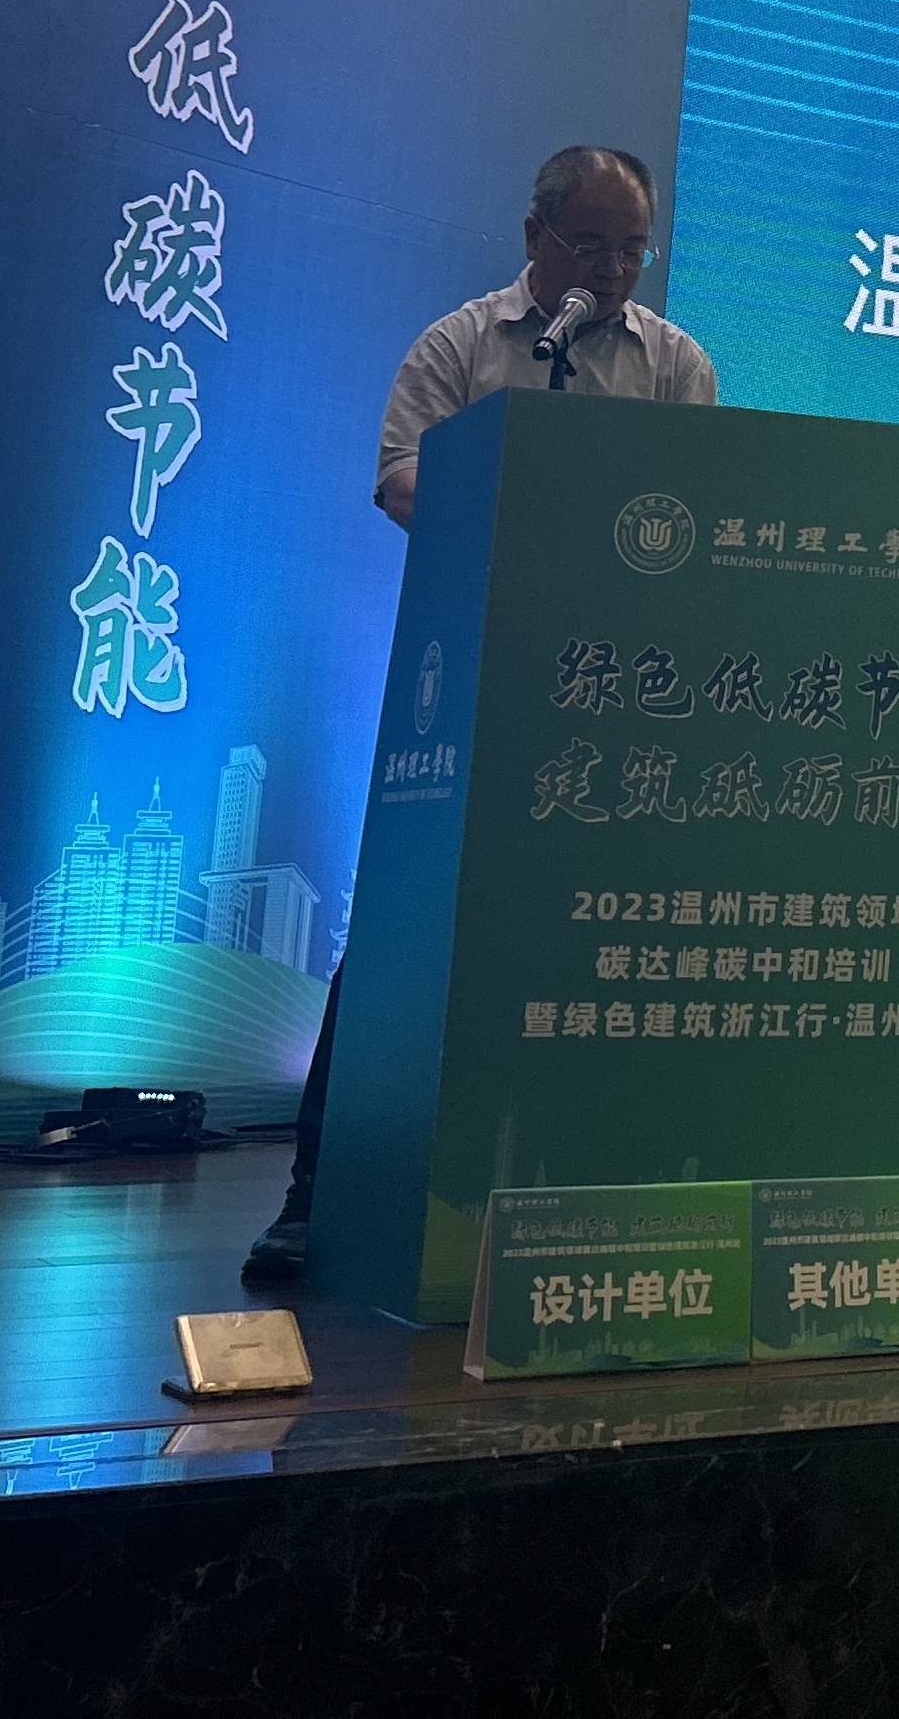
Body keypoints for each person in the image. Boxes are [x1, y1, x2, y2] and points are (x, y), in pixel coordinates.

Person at [243, 143, 718, 1284]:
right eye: (591, 245)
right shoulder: (462, 346)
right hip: (470, 681)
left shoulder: (675, 363)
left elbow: (704, 497)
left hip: (616, 698)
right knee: (401, 933)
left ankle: (581, 1195)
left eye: (633, 250)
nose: (613, 271)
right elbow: (400, 479)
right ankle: (318, 1193)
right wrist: (533, 501)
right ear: (534, 236)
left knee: (598, 939)